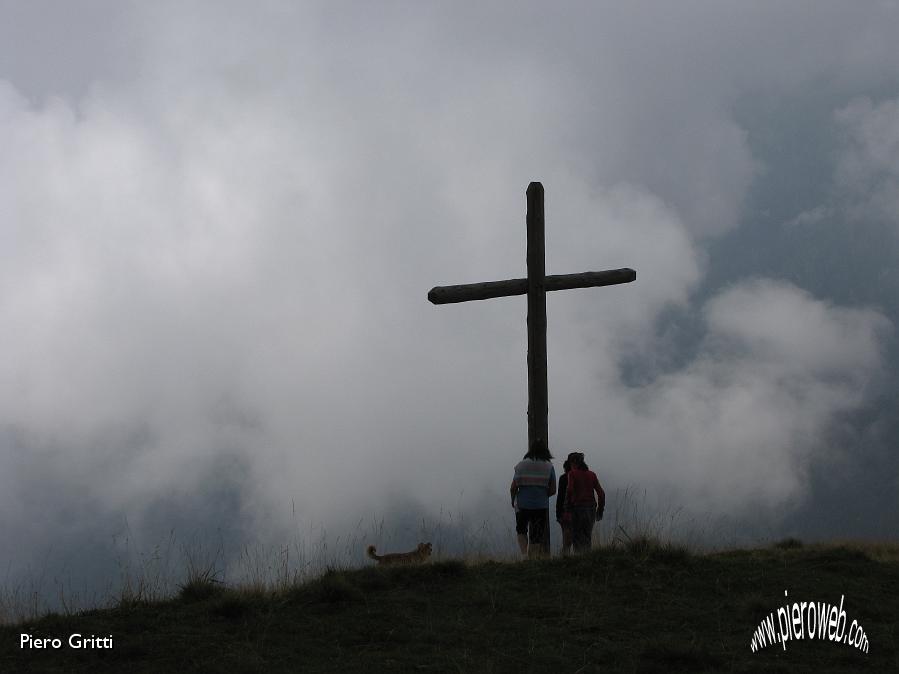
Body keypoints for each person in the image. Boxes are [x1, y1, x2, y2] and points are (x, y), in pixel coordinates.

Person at [510, 437, 556, 558]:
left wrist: (513, 499)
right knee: (537, 534)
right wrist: (542, 495)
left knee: (521, 529)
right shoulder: (549, 467)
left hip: (522, 504)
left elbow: (513, 487)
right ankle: (534, 557)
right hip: (541, 505)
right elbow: (553, 490)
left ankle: (524, 555)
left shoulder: (520, 465)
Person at [565, 452, 605, 553]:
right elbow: (601, 493)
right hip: (591, 508)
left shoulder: (572, 474)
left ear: (573, 463)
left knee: (576, 536)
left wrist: (567, 504)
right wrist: (600, 509)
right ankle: (588, 558)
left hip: (577, 508)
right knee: (587, 536)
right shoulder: (592, 475)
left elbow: (570, 489)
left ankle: (578, 560)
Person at [556, 458, 573, 555]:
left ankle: (565, 554)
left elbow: (560, 496)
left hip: (565, 511)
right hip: (577, 510)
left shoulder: (563, 478)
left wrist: (558, 513)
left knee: (566, 533)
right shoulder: (581, 476)